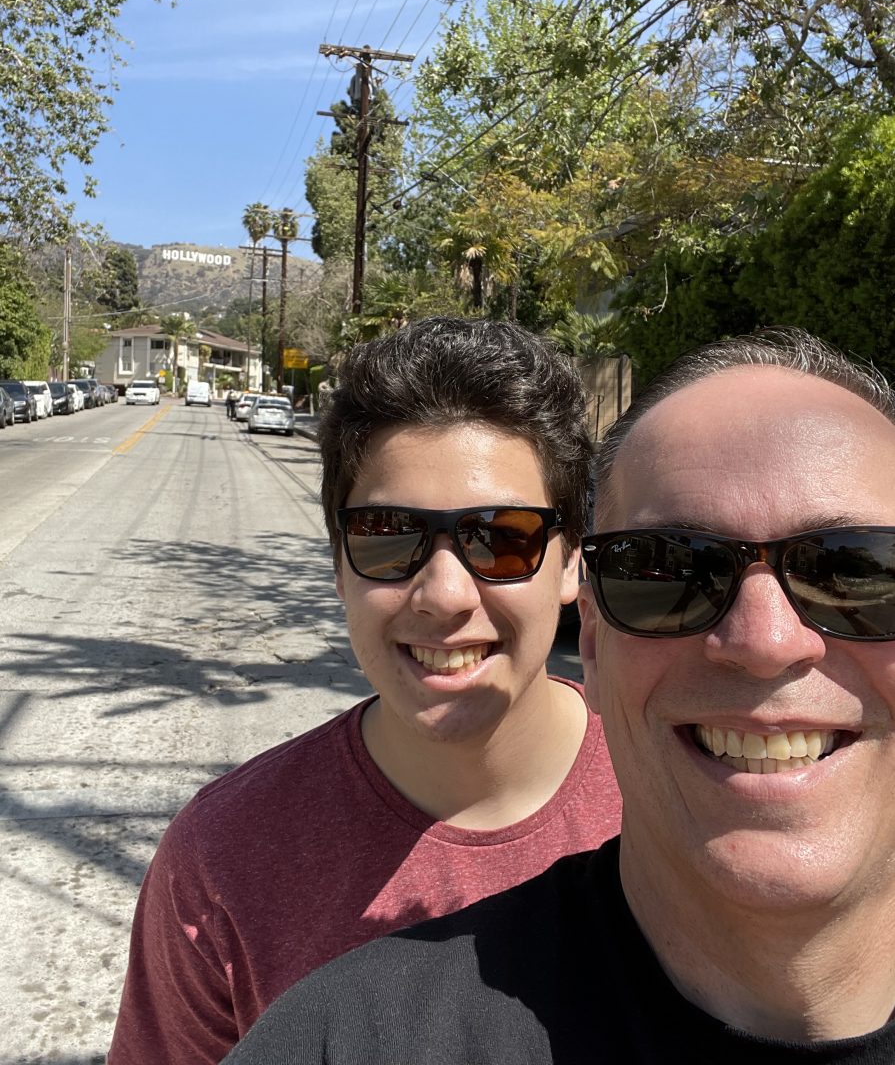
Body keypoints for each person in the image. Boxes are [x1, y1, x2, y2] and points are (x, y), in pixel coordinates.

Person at [221, 326, 895, 1064]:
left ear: (571, 566)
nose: (765, 641)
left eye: (856, 570)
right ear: (595, 640)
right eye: (673, 567)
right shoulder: (325, 1019)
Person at [108, 317, 622, 1065]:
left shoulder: (682, 794)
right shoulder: (222, 858)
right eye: (388, 534)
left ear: (571, 562)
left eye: (502, 537)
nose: (444, 594)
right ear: (338, 565)